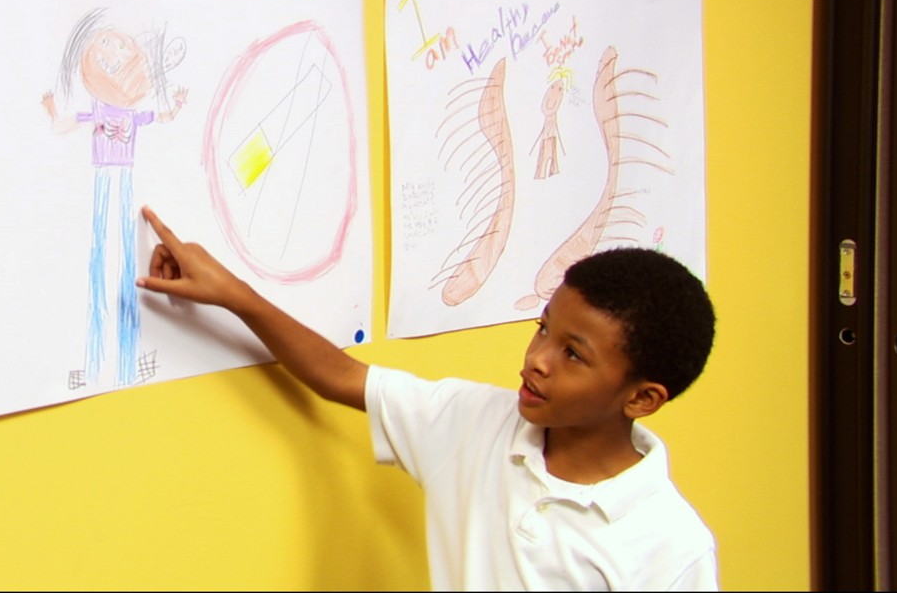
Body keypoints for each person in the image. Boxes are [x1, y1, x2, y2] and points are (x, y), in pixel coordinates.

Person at [135, 205, 719, 591]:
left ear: (641, 399)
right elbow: (341, 377)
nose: (537, 358)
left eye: (573, 354)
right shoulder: (475, 423)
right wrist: (234, 294)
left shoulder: (670, 545)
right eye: (543, 328)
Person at [42, 9, 187, 389]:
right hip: (104, 180)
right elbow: (65, 124)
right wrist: (52, 109)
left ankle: (123, 362)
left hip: (122, 181)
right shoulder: (101, 110)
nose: (113, 52)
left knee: (124, 260)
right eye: (105, 46)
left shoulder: (131, 113)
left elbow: (163, 116)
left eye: (120, 47)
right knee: (98, 259)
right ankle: (95, 364)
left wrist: (178, 104)